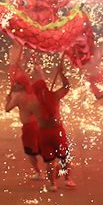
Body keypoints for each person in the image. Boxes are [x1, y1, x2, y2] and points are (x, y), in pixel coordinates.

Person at [31, 62, 75, 192]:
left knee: (49, 160)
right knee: (64, 157)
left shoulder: (33, 103)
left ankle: (52, 185)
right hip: (57, 131)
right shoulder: (54, 96)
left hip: (43, 133)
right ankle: (68, 180)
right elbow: (67, 87)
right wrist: (61, 73)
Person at [4, 74, 42, 180]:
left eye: (19, 84)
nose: (16, 85)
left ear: (23, 85)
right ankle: (56, 164)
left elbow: (7, 109)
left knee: (30, 151)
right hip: (39, 124)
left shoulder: (19, 97)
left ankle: (39, 173)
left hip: (29, 127)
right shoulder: (34, 93)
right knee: (42, 149)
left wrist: (8, 100)